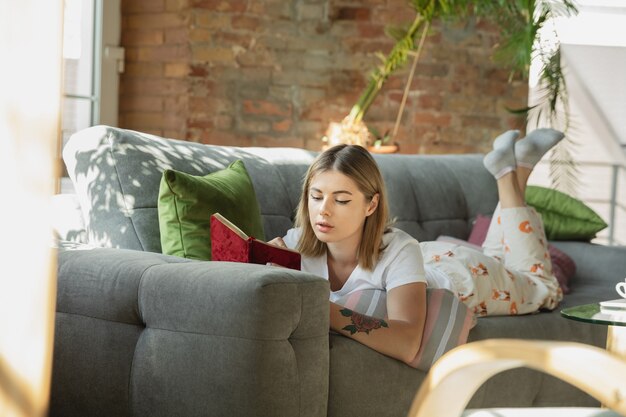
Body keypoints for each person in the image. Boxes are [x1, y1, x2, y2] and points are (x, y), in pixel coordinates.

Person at [268, 128, 564, 366]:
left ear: (371, 204)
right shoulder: (294, 244)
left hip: (465, 276)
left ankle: (507, 175)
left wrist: (320, 307)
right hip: (425, 259)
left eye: (341, 200)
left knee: (541, 286)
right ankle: (519, 167)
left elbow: (408, 342)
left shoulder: (399, 248)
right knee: (497, 254)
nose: (323, 211)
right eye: (316, 196)